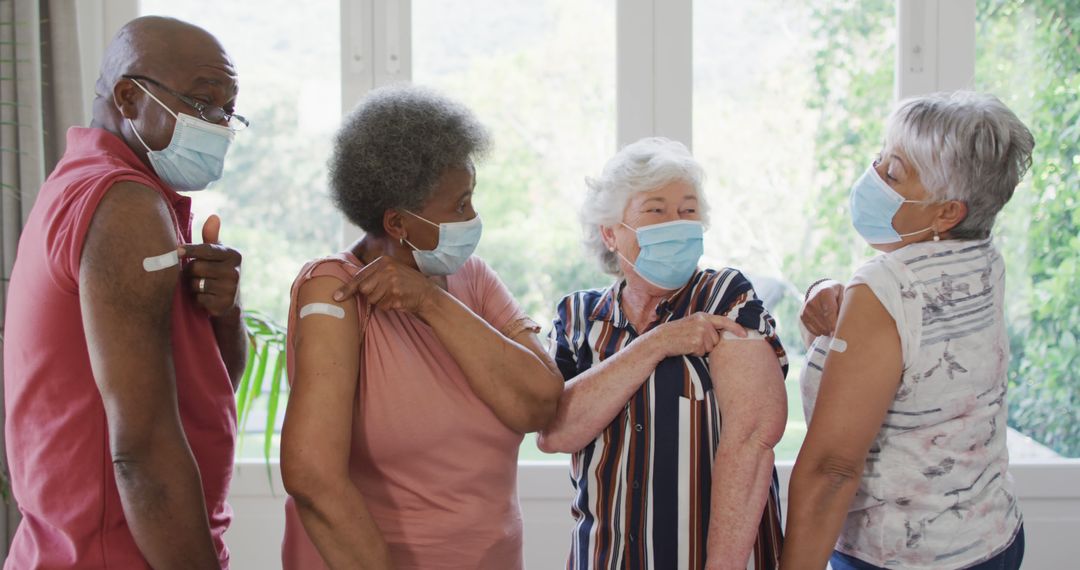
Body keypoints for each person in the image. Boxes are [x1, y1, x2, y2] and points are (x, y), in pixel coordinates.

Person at [278, 85, 564, 569]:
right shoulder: (334, 289)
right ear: (398, 223)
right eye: (460, 204)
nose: (473, 218)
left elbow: (539, 403)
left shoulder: (472, 278)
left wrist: (431, 301)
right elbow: (312, 479)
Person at [3, 16, 247, 569]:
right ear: (128, 98)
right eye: (204, 104)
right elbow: (142, 453)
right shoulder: (124, 204)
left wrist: (225, 312)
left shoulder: (104, 186)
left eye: (228, 112)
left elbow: (207, 394)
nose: (220, 126)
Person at [782, 91, 1034, 570]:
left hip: (899, 558)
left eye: (894, 172)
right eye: (880, 157)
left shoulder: (884, 288)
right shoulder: (983, 258)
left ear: (946, 212)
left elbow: (832, 469)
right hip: (993, 538)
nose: (873, 176)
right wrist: (832, 290)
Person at [538, 137, 789, 570]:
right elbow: (555, 432)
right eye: (656, 211)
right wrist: (658, 342)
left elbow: (752, 438)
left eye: (688, 211)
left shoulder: (725, 296)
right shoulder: (578, 315)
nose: (676, 223)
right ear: (611, 233)